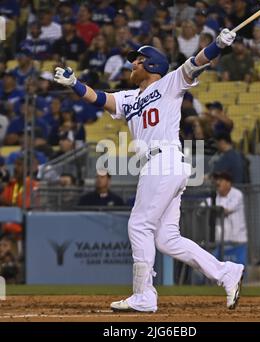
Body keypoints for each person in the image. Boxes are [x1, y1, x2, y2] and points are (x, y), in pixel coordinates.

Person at [54, 27, 244, 312]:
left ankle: (144, 294)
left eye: (138, 60)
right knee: (167, 239)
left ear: (152, 64)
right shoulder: (129, 97)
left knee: (138, 224)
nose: (133, 63)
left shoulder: (169, 83)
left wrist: (217, 45)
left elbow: (196, 62)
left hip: (164, 161)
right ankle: (225, 271)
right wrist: (75, 84)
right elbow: (102, 98)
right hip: (163, 166)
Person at [212, 172, 248, 245]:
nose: (217, 182)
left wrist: (213, 209)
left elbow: (227, 210)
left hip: (237, 240)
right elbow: (203, 207)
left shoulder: (237, 194)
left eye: (221, 180)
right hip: (221, 239)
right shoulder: (214, 195)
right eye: (217, 180)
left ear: (228, 183)